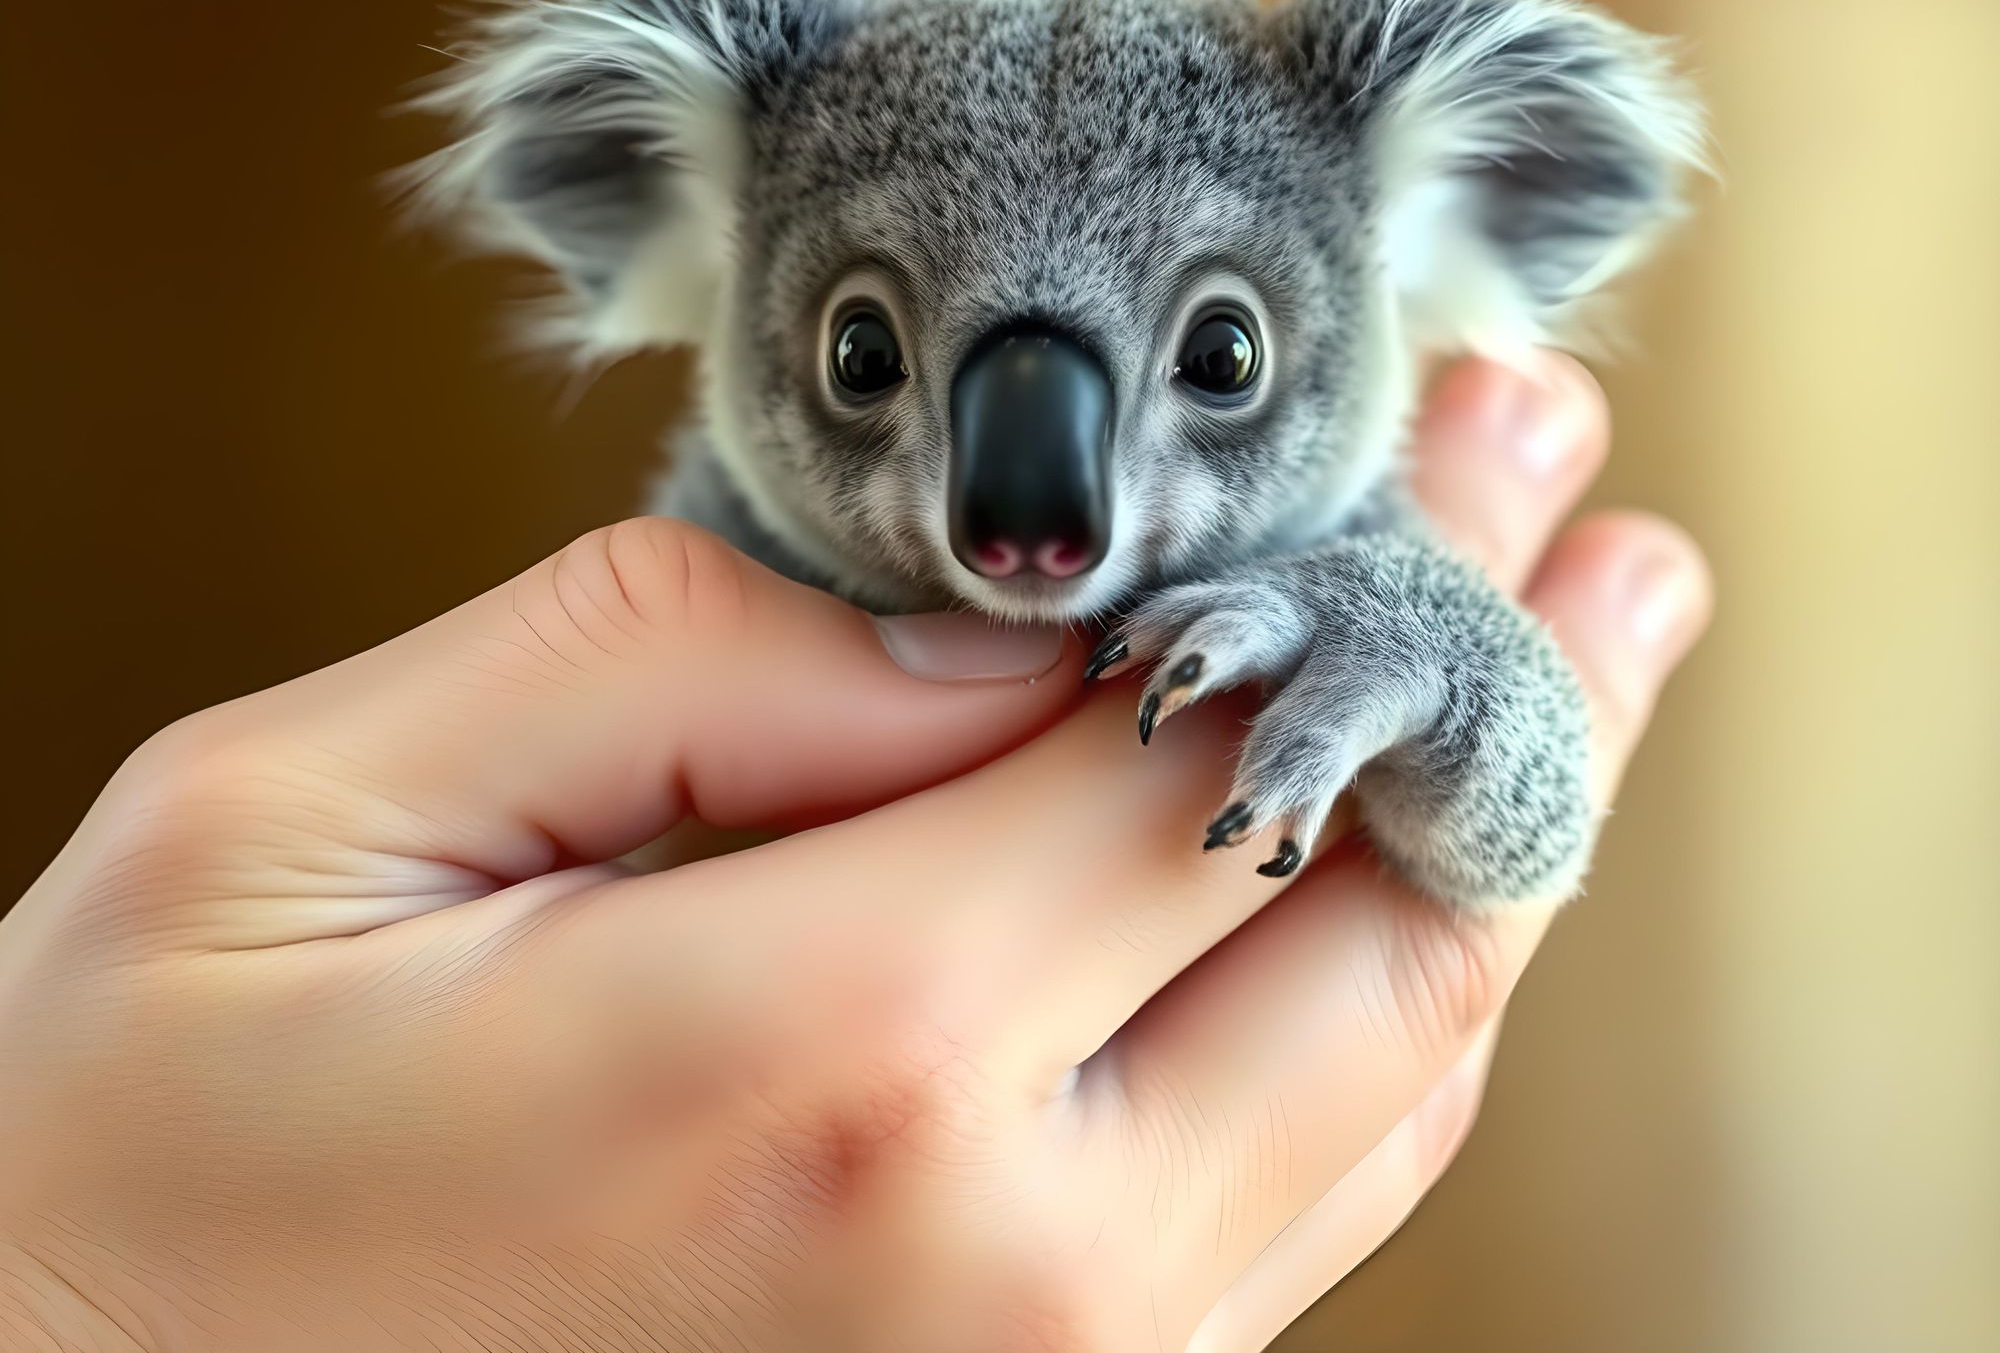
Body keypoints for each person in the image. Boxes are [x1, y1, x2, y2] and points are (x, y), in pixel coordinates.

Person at [0, 356, 1708, 1353]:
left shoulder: (1366, 472)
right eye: (871, 356)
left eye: (1218, 355)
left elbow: (1511, 832)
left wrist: (1436, 659)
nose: (1034, 505)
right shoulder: (730, 532)